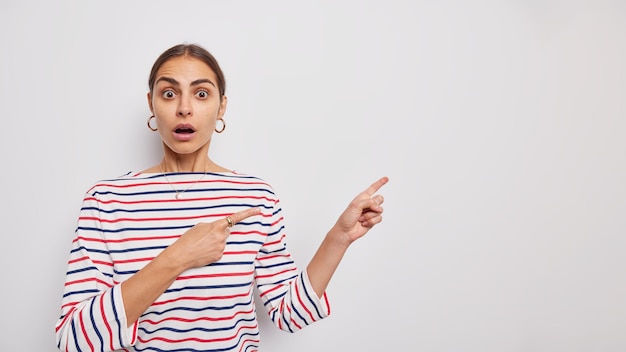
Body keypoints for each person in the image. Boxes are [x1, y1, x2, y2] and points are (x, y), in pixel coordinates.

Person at [55, 43, 388, 352]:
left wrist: (339, 238)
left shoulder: (256, 196)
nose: (184, 108)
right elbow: (74, 338)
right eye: (169, 93)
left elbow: (289, 314)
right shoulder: (107, 200)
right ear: (151, 105)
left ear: (221, 107)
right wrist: (178, 257)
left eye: (201, 94)